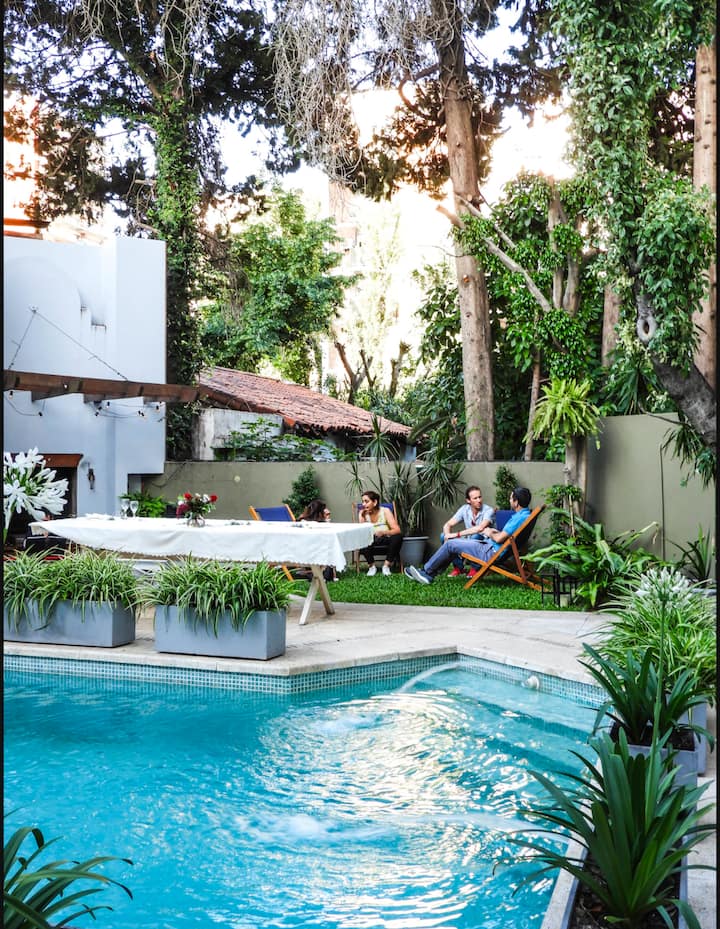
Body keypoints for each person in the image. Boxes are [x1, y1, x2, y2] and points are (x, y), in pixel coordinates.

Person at [405, 487, 532, 585]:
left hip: (490, 551)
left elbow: (499, 539)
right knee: (451, 543)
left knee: (450, 544)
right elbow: (504, 537)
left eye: (511, 498)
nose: (509, 500)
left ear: (516, 502)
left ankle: (427, 573)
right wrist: (493, 532)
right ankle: (429, 572)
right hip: (491, 548)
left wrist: (489, 532)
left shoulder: (519, 518)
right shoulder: (525, 515)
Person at [441, 485, 495, 577]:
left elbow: (480, 528)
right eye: (475, 498)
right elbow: (447, 524)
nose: (479, 500)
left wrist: (457, 534)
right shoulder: (464, 509)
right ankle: (458, 568)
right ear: (468, 500)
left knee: (476, 536)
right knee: (443, 536)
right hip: (468, 539)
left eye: (480, 497)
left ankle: (475, 568)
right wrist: (447, 537)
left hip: (484, 543)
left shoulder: (488, 510)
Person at [357, 490, 403, 576]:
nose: (363, 504)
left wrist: (383, 532)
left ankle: (386, 566)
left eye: (366, 501)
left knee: (398, 537)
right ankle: (372, 567)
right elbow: (361, 531)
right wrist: (361, 516)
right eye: (363, 502)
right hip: (371, 539)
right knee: (361, 539)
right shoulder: (363, 513)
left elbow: (397, 530)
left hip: (385, 537)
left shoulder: (385, 511)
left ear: (375, 502)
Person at [298, 499, 336, 581]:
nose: (326, 511)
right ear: (319, 512)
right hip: (308, 552)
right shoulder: (306, 523)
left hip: (315, 551)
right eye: (324, 510)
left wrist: (326, 520)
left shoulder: (318, 522)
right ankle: (317, 574)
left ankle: (321, 573)